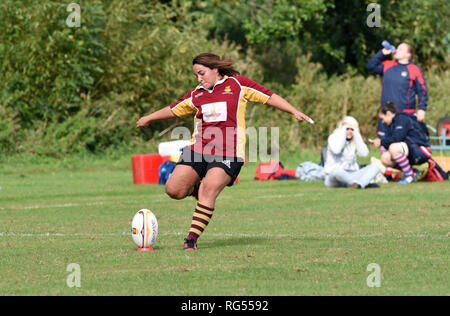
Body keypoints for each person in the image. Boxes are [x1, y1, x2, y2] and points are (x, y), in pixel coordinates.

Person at [136, 53, 312, 250]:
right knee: (174, 190)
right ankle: (202, 191)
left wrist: (293, 110)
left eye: (202, 73)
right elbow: (174, 109)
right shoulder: (197, 94)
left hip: (228, 153)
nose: (199, 78)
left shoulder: (238, 85)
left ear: (215, 69)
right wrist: (149, 118)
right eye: (196, 75)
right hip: (198, 150)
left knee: (208, 190)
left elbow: (268, 96)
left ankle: (191, 240)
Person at [367, 42, 428, 140]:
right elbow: (371, 65)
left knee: (402, 145)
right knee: (385, 145)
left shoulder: (414, 70)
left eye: (401, 49)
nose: (397, 50)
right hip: (386, 114)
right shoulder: (388, 65)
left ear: (408, 54)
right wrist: (382, 53)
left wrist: (422, 109)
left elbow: (422, 91)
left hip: (404, 115)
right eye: (397, 48)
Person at [374, 101, 432, 184]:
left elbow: (397, 138)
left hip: (422, 150)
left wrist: (381, 142)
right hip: (411, 150)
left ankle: (409, 176)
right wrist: (382, 143)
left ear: (388, 113)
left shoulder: (402, 119)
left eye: (382, 118)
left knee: (393, 148)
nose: (382, 122)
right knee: (385, 158)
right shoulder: (392, 124)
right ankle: (413, 172)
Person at [324, 116, 380, 189]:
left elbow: (364, 153)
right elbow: (336, 150)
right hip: (334, 177)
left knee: (375, 167)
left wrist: (356, 134)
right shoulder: (333, 137)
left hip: (351, 174)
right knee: (337, 171)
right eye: (347, 129)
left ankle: (359, 184)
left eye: (352, 129)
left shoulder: (354, 140)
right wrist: (343, 133)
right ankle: (355, 183)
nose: (350, 131)